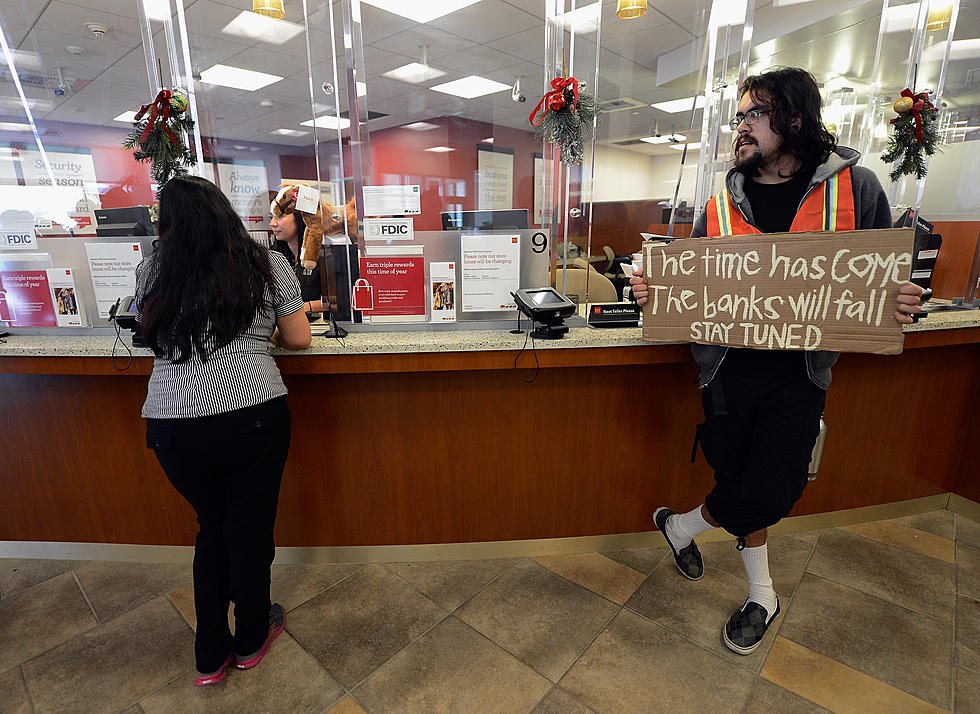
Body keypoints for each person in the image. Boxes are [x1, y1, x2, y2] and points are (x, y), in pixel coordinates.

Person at [630, 67, 925, 656]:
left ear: (793, 118)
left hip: (800, 373)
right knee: (738, 480)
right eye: (738, 116)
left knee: (775, 487)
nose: (739, 127)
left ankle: (681, 525)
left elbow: (883, 278)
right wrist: (652, 292)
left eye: (752, 115)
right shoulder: (718, 201)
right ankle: (762, 594)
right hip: (725, 372)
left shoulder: (858, 187)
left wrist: (901, 298)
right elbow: (688, 283)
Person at [136, 176, 312, 686]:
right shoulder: (265, 263)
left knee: (211, 529)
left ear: (167, 227)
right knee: (248, 531)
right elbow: (298, 338)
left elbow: (153, 337)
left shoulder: (152, 270)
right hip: (249, 414)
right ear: (224, 213)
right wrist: (264, 331)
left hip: (172, 427)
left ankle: (209, 654)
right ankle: (252, 636)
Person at [270, 183, 326, 319]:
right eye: (271, 217)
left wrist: (299, 308)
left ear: (301, 218)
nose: (272, 223)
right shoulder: (276, 256)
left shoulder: (324, 255)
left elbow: (339, 301)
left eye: (279, 217)